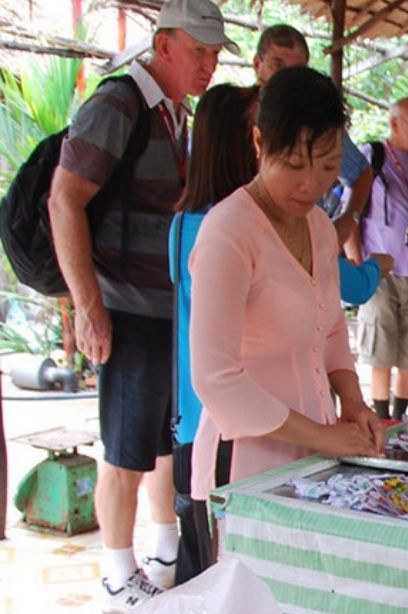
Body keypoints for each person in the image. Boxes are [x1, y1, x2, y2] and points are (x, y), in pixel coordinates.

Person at [48, 0, 233, 614]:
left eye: (215, 53)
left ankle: (159, 556)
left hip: (161, 308)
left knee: (156, 442)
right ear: (167, 43)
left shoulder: (172, 114)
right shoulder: (118, 103)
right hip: (123, 306)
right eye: (201, 51)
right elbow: (64, 200)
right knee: (125, 449)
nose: (209, 64)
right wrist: (88, 304)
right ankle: (114, 573)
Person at [189, 66, 384, 509]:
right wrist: (323, 435)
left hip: (313, 461)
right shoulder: (229, 232)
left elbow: (331, 327)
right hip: (245, 468)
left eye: (329, 167)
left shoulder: (317, 224)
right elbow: (215, 379)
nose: (311, 185)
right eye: (294, 165)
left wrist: (353, 406)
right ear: (259, 143)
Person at [168, 83, 257, 585]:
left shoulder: (183, 223)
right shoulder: (226, 229)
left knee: (201, 577)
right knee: (216, 585)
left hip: (193, 421)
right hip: (218, 434)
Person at [251, 23, 390, 305]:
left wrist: (346, 221)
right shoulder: (234, 113)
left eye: (326, 167)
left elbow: (361, 172)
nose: (310, 183)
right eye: (278, 66)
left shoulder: (320, 125)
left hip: (304, 249)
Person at [353, 98, 408, 422]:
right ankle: (381, 416)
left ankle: (400, 418)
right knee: (380, 348)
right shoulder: (372, 156)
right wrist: (356, 261)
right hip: (379, 270)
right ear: (395, 124)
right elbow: (352, 212)